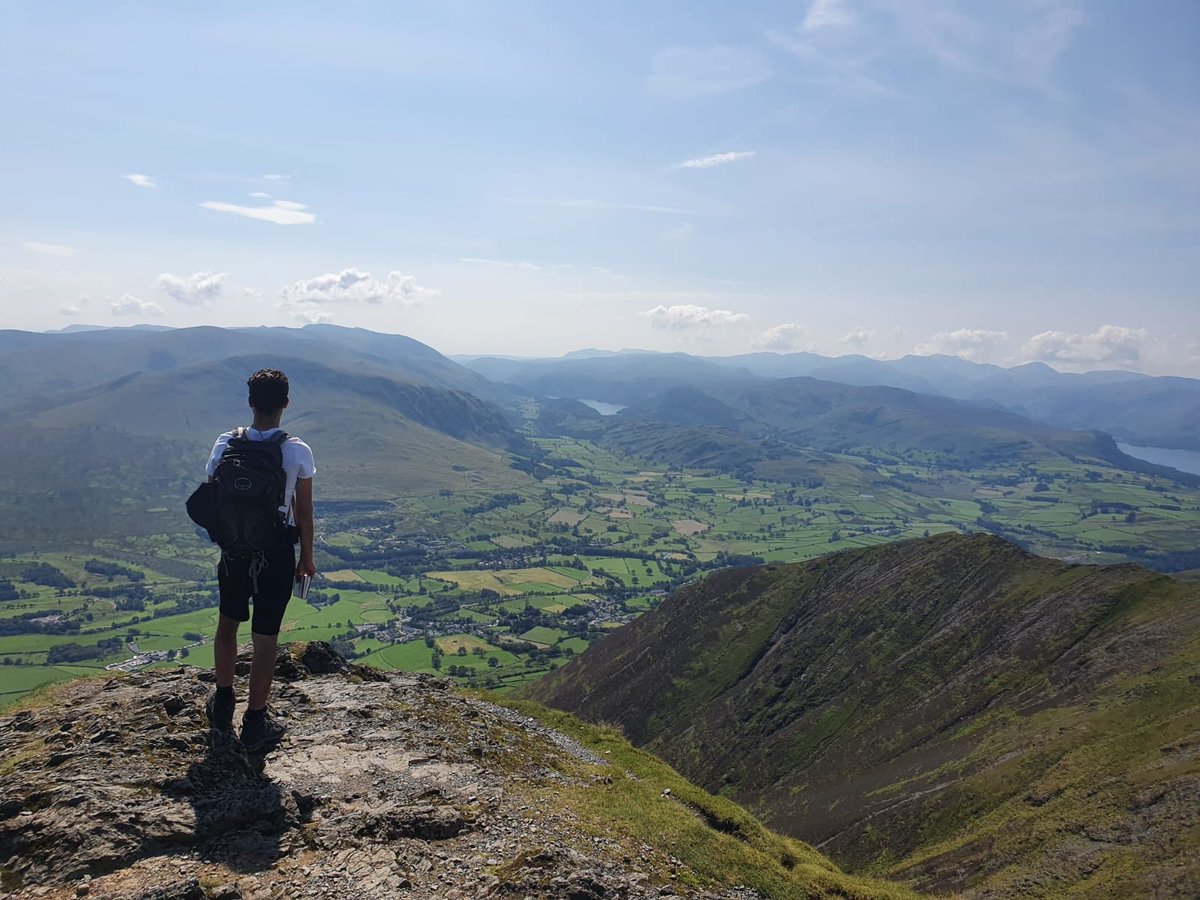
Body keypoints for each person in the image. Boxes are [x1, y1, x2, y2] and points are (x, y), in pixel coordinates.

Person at [204, 369, 316, 750]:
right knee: (265, 638)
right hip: (276, 554)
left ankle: (221, 704)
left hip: (234, 552)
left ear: (250, 402)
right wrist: (307, 557)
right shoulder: (296, 450)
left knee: (227, 625)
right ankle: (255, 720)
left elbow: (210, 495)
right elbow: (304, 512)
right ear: (286, 403)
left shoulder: (226, 442)